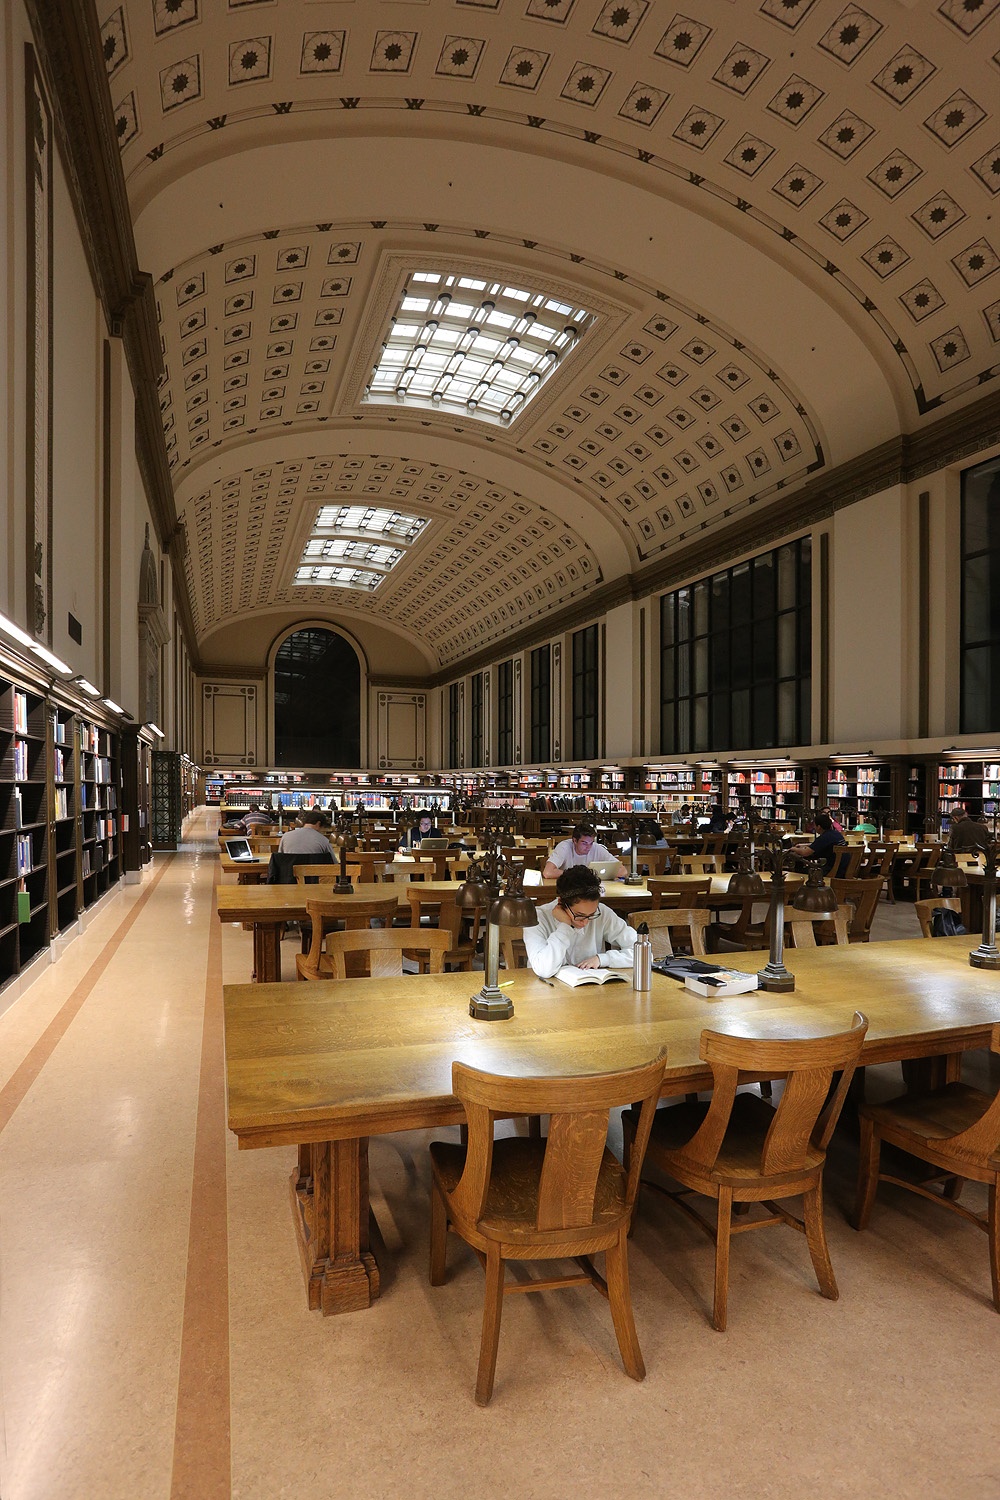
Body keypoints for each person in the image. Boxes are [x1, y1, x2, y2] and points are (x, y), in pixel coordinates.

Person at [523, 866, 637, 978]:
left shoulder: (602, 912)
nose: (585, 922)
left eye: (591, 915)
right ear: (561, 902)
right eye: (579, 916)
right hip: (544, 991)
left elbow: (642, 952)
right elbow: (544, 970)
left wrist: (603, 959)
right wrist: (564, 926)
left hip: (591, 988)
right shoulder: (537, 918)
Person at [542, 822, 626, 881]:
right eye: (584, 843)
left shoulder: (596, 848)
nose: (588, 847)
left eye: (591, 843)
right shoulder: (564, 847)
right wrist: (579, 875)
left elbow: (623, 871)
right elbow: (548, 872)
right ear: (574, 840)